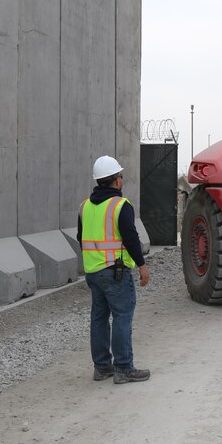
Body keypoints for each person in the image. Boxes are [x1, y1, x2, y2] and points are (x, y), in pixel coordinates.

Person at [77, 155, 151, 384]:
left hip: (93, 272)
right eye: (120, 175)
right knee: (122, 316)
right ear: (116, 180)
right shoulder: (121, 206)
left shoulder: (85, 206)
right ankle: (123, 368)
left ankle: (102, 367)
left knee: (99, 317)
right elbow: (131, 238)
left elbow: (81, 237)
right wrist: (142, 266)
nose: (122, 179)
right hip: (115, 271)